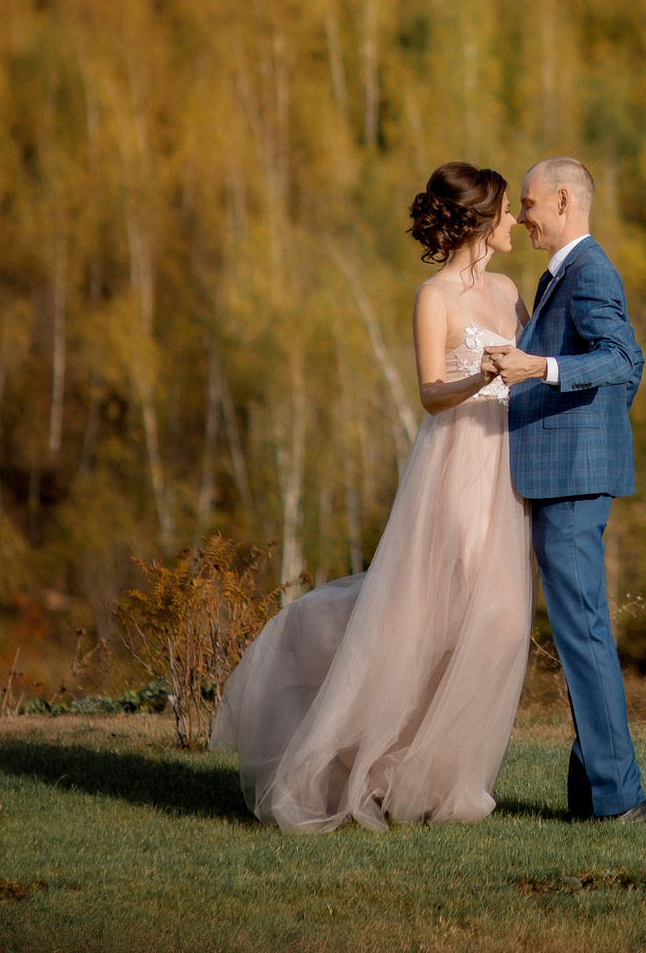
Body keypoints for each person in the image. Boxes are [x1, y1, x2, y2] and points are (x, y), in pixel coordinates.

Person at [211, 163, 533, 830]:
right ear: (477, 219)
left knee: (498, 621)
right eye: (503, 212)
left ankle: (433, 771)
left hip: (511, 464)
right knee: (447, 614)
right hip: (459, 464)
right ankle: (357, 747)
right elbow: (429, 392)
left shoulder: (510, 289)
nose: (513, 223)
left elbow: (532, 367)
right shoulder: (434, 296)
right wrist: (480, 375)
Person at [480, 155, 646, 821]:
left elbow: (624, 359)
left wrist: (541, 368)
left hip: (573, 484)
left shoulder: (589, 269)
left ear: (561, 202)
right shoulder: (568, 273)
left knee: (582, 629)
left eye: (527, 204)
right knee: (580, 630)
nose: (521, 216)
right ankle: (594, 792)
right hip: (567, 475)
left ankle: (618, 799)